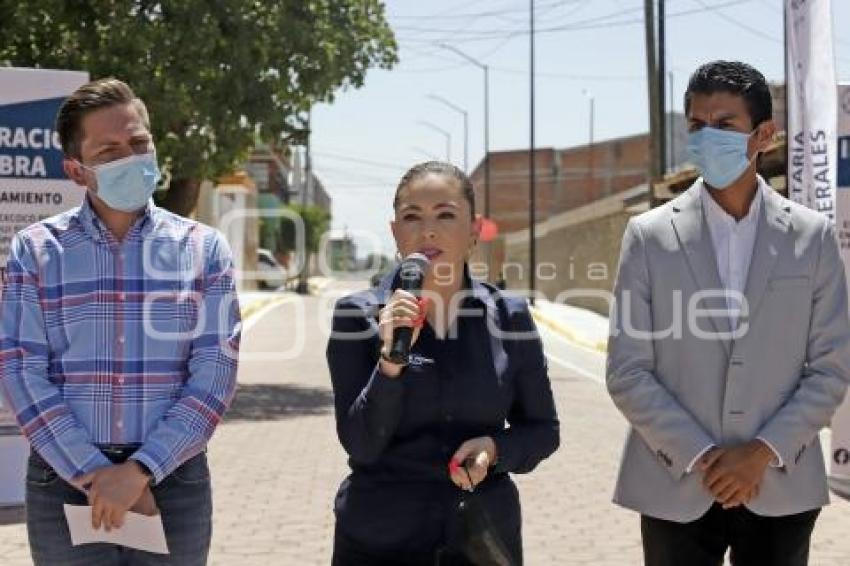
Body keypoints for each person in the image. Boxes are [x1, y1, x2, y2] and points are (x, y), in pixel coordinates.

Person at [607, 60, 850, 566]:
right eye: (696, 125)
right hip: (674, 482)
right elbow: (628, 369)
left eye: (724, 125)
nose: (706, 137)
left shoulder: (812, 236)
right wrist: (702, 456)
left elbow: (830, 367)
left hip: (781, 480)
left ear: (764, 134)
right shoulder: (649, 236)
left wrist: (760, 453)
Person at [0, 78, 241, 565]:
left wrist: (139, 472)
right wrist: (95, 474)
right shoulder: (37, 250)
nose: (131, 157)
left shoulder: (203, 248)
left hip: (173, 480)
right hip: (64, 481)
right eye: (110, 150)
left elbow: (215, 371)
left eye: (139, 143)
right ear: (76, 170)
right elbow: (20, 369)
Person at [326, 161, 559, 565]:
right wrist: (390, 362)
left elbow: (543, 431)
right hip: (379, 540)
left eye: (446, 215)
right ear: (396, 232)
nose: (428, 230)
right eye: (412, 217)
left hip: (481, 541)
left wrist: (495, 450)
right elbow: (361, 443)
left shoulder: (510, 316)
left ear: (474, 230)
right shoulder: (356, 316)